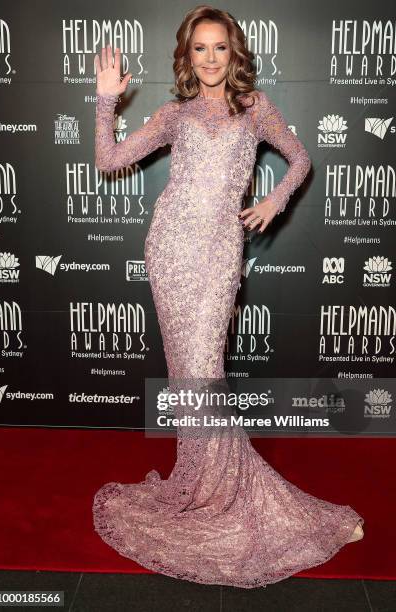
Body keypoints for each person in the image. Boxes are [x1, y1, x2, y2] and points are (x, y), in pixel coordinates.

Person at [92, 5, 364, 589]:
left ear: (234, 53)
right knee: (186, 377)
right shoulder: (173, 114)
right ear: (187, 56)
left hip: (217, 257)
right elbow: (108, 159)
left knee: (204, 372)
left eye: (220, 47)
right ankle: (201, 489)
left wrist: (273, 201)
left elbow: (302, 158)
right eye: (199, 49)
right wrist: (105, 101)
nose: (210, 58)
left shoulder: (254, 109)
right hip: (168, 251)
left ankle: (225, 493)